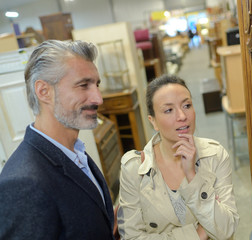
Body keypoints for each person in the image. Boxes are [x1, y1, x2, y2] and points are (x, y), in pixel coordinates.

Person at [0, 40, 115, 239]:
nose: (98, 98)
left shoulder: (73, 151)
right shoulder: (23, 183)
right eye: (83, 85)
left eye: (96, 85)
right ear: (44, 91)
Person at [117, 75, 239, 239]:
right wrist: (197, 234)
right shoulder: (133, 168)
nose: (182, 116)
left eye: (187, 105)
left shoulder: (215, 155)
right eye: (168, 110)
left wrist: (192, 176)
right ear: (153, 122)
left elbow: (227, 229)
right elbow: (131, 237)